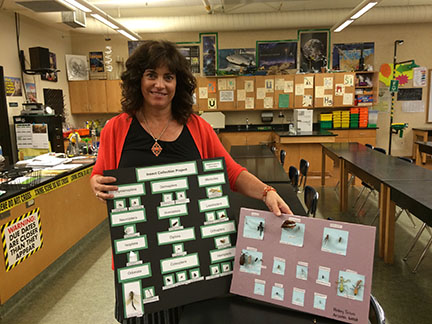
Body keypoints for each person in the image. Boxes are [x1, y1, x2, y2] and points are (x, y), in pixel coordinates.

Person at [90, 40, 293, 324]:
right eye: (152, 75)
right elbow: (100, 174)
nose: (159, 84)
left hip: (195, 257)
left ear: (178, 84)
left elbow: (231, 172)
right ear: (138, 79)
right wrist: (96, 183)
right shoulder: (116, 129)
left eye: (168, 77)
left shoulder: (197, 127)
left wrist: (266, 192)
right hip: (138, 260)